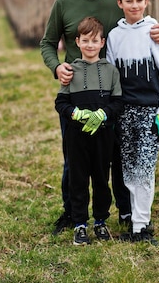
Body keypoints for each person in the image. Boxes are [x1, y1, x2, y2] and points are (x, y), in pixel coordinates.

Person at [40, 0, 159, 236]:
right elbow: (48, 44)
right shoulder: (64, 3)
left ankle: (125, 214)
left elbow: (144, 25)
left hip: (115, 97)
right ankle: (72, 214)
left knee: (113, 155)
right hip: (76, 90)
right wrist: (56, 67)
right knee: (74, 157)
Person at [105, 0, 159, 245]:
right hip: (124, 112)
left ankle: (141, 228)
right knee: (129, 169)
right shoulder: (114, 36)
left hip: (149, 112)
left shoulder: (155, 32)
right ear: (120, 3)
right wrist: (111, 112)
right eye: (128, 0)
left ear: (146, 2)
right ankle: (136, 221)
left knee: (144, 170)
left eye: (139, 0)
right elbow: (112, 77)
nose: (134, 5)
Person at [54, 17, 124, 245]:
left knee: (102, 179)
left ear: (102, 42)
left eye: (95, 41)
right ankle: (80, 223)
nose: (90, 45)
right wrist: (75, 113)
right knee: (78, 179)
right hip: (76, 136)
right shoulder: (70, 71)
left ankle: (101, 221)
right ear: (77, 42)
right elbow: (60, 102)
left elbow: (118, 103)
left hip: (103, 136)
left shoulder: (111, 71)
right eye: (86, 40)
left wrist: (104, 114)